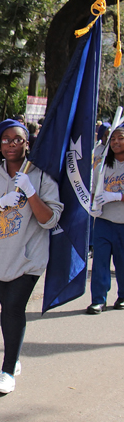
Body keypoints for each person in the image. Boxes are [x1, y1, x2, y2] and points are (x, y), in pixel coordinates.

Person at [0, 119, 62, 394]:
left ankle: (7, 370)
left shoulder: (40, 175)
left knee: (13, 308)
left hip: (30, 256)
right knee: (8, 309)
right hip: (1, 255)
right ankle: (14, 355)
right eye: (6, 140)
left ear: (27, 144)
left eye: (18, 140)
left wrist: (31, 192)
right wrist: (0, 204)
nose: (11, 145)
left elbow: (49, 220)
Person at [87, 123, 124, 314]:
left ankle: (123, 296)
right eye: (114, 139)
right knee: (100, 262)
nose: (116, 142)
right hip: (103, 221)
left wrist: (117, 196)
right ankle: (98, 300)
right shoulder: (102, 166)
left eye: (121, 138)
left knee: (122, 262)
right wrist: (93, 206)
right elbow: (93, 189)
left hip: (123, 223)